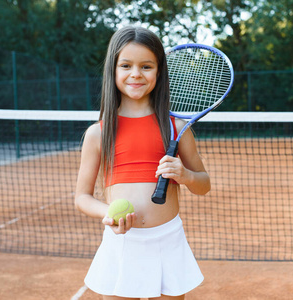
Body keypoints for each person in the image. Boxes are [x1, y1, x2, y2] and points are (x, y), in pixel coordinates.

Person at [75, 26, 210, 300]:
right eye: (126, 65)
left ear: (159, 72)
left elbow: (203, 184)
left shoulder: (176, 128)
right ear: (112, 71)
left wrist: (185, 175)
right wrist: (108, 213)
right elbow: (82, 197)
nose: (136, 74)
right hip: (122, 242)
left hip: (168, 240)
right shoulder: (98, 133)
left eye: (146, 66)